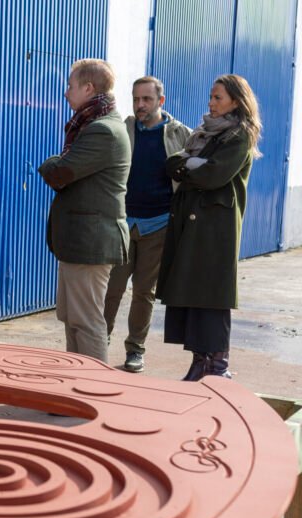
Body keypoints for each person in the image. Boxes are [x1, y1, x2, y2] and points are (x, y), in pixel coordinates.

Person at [157, 74, 262, 380]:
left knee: (212, 295)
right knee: (193, 291)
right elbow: (172, 163)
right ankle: (200, 360)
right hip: (194, 224)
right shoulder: (206, 133)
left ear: (236, 101)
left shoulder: (239, 135)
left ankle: (217, 365)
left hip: (216, 229)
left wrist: (191, 165)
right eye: (211, 97)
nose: (211, 103)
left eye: (218, 98)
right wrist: (191, 164)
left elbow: (213, 176)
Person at [38, 59, 130, 363]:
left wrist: (51, 162)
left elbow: (60, 173)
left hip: (91, 242)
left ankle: (92, 385)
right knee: (73, 318)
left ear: (88, 88)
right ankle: (75, 378)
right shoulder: (94, 125)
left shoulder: (102, 130)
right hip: (81, 242)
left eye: (71, 86)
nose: (66, 93)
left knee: (87, 321)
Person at [103, 76, 191, 373]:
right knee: (111, 289)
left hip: (159, 226)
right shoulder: (124, 129)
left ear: (160, 101)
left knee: (144, 292)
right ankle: (99, 341)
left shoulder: (180, 135)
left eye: (147, 99)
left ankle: (135, 349)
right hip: (123, 224)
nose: (140, 105)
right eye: (136, 99)